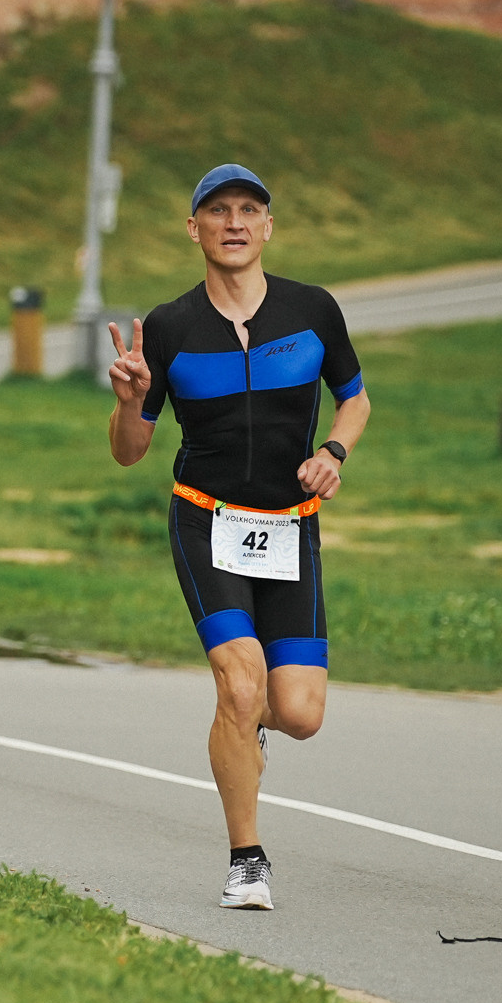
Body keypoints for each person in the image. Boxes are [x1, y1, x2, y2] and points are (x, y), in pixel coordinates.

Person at [105, 164, 372, 911]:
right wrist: (130, 402)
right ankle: (247, 859)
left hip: (288, 530)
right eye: (216, 210)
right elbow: (130, 449)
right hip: (207, 520)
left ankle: (244, 730)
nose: (233, 222)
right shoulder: (170, 328)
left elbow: (355, 400)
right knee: (239, 682)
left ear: (268, 226)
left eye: (248, 209)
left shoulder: (313, 311)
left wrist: (333, 454)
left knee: (298, 714)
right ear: (193, 229)